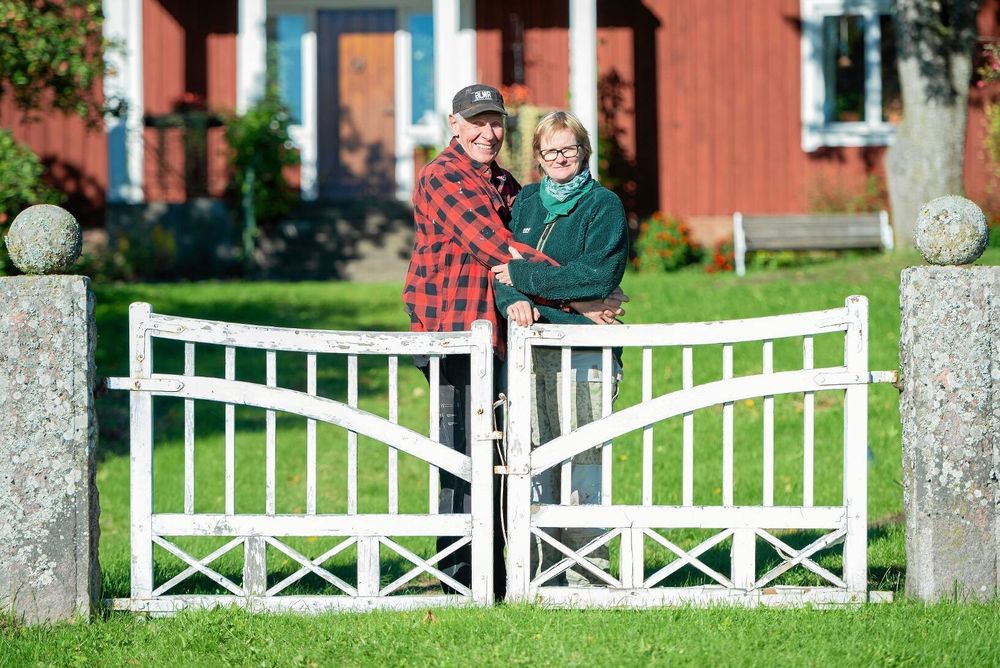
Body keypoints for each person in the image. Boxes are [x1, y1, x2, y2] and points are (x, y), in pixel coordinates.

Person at [402, 86, 625, 600]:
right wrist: (584, 293)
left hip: (498, 335)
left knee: (503, 453)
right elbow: (496, 248)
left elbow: (513, 270)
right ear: (453, 124)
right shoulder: (444, 176)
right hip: (452, 331)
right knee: (463, 457)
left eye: (496, 122)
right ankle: (459, 579)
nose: (488, 132)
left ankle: (501, 575)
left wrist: (571, 287)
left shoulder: (504, 182)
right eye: (476, 122)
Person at [492, 110, 629, 586]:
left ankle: (589, 574)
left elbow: (598, 276)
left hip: (585, 354)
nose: (560, 158)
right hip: (528, 353)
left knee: (582, 467)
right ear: (538, 157)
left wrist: (528, 284)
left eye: (569, 148)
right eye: (551, 151)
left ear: (583, 151)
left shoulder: (603, 205)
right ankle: (536, 575)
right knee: (531, 463)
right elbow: (499, 270)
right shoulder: (525, 203)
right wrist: (515, 299)